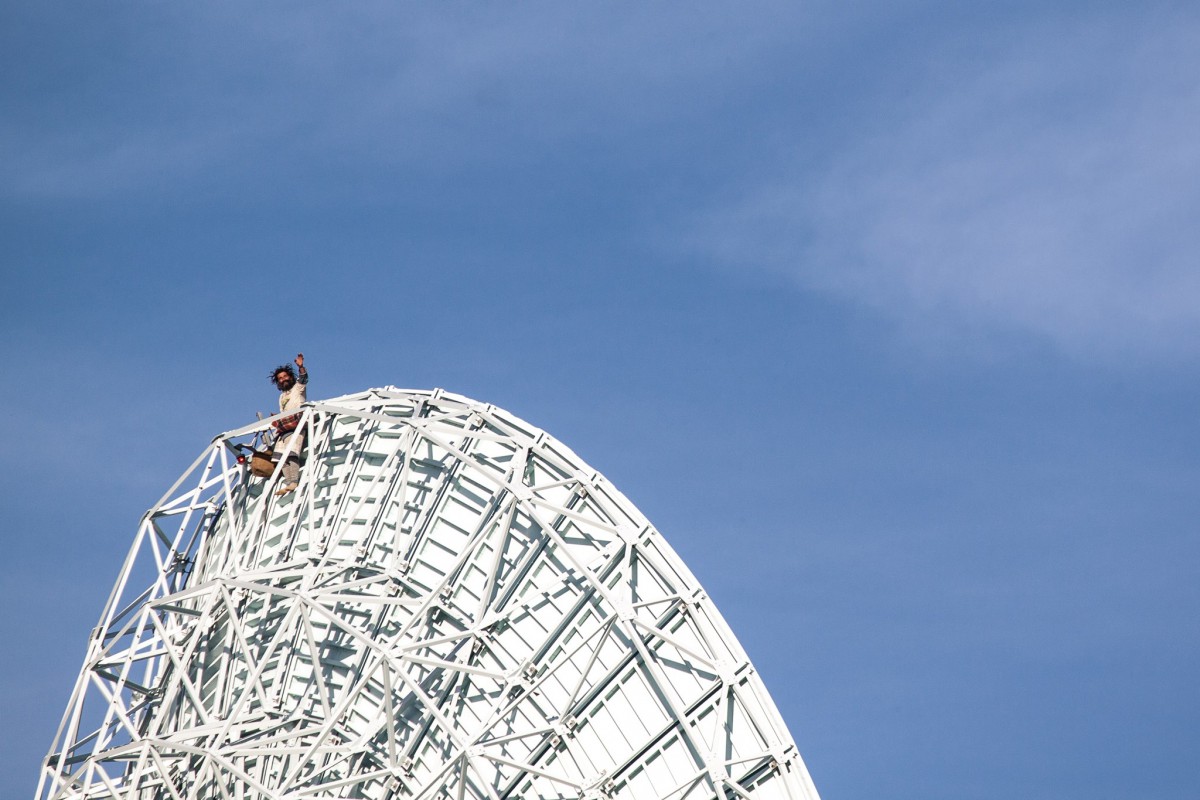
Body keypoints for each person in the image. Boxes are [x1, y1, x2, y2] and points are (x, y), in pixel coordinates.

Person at [270, 353, 308, 496]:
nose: (283, 379)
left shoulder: (297, 388)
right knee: (281, 457)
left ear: (290, 377)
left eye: (285, 376)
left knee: (292, 454)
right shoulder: (282, 396)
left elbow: (304, 379)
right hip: (284, 428)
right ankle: (288, 482)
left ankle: (294, 481)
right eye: (280, 378)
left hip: (296, 424)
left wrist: (301, 367)